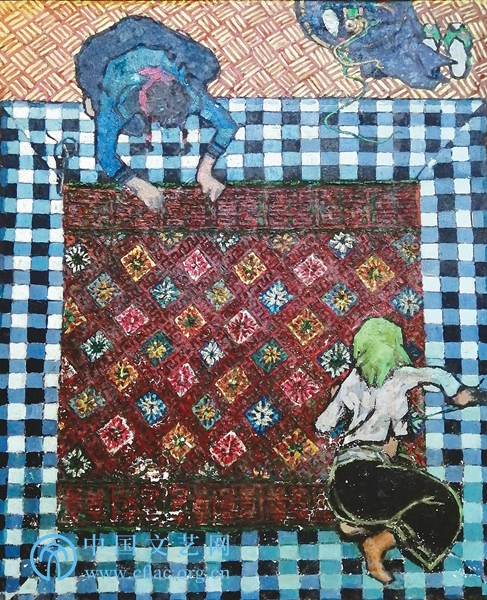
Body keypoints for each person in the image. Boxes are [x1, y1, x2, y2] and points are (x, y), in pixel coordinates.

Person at [315, 317, 483, 584]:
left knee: (404, 476)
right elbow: (437, 375)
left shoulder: (351, 381)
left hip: (342, 485)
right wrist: (461, 393)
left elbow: (322, 424)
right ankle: (376, 543)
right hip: (369, 481)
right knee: (442, 501)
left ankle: (354, 524)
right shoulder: (401, 376)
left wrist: (339, 400)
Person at [74, 15, 239, 209]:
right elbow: (105, 155)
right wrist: (138, 185)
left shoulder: (190, 91)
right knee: (118, 120)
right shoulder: (121, 101)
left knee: (208, 65)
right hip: (104, 53)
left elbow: (227, 126)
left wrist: (205, 171)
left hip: (157, 40)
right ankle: (91, 97)